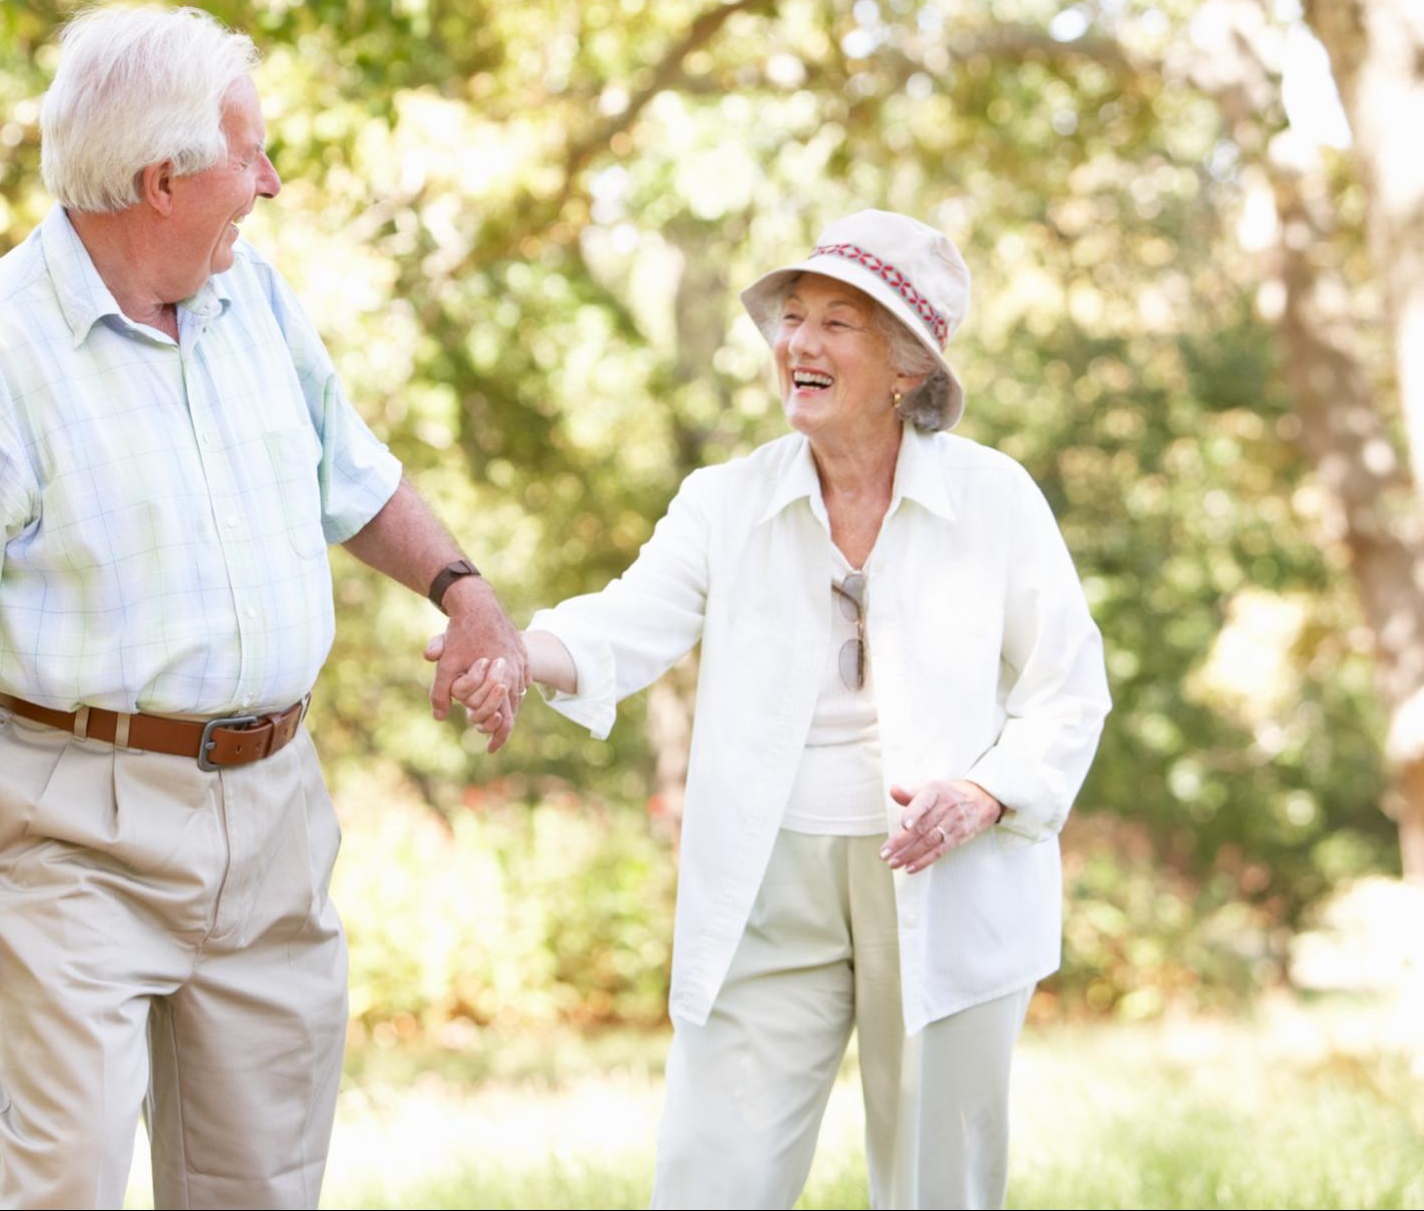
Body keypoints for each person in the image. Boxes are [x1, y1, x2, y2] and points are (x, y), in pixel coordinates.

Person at [0, 3, 525, 1210]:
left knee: (258, 1184)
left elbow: (350, 474)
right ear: (161, 179)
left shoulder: (248, 296)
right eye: (250, 154)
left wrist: (460, 590)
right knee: (67, 1183)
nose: (270, 180)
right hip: (69, 822)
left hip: (270, 811)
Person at [448, 210, 1111, 1209]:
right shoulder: (727, 499)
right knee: (710, 1174)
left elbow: (1067, 687)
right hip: (766, 872)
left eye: (836, 323)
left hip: (945, 869)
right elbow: (629, 620)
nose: (797, 341)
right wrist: (511, 650)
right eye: (792, 317)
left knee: (940, 1185)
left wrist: (983, 791)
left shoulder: (995, 500)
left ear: (906, 366)